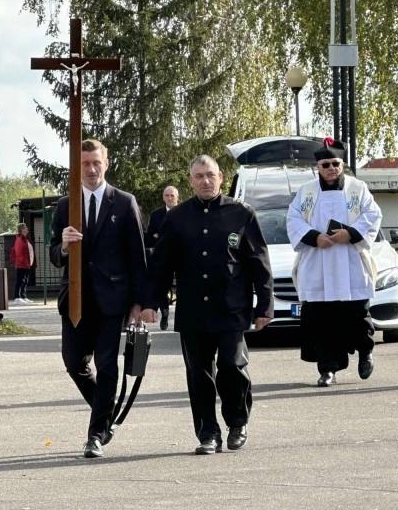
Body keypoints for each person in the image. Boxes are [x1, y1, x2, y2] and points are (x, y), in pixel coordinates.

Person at [142, 155, 273, 455]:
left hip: (231, 308)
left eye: (210, 175)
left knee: (231, 366)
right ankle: (208, 433)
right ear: (190, 181)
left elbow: (259, 263)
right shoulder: (175, 218)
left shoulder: (242, 214)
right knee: (198, 374)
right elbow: (161, 265)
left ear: (221, 177)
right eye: (198, 176)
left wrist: (264, 306)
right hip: (193, 311)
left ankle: (237, 422)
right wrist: (152, 302)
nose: (205, 181)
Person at [49, 138, 148, 458]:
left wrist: (139, 302)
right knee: (73, 363)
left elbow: (137, 256)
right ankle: (104, 415)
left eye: (96, 163)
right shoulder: (65, 206)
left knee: (107, 365)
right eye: (85, 164)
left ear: (106, 164)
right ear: (77, 168)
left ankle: (95, 435)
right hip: (76, 300)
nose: (91, 169)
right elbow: (52, 254)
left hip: (112, 299)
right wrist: (63, 245)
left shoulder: (124, 202)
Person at [286, 137, 382, 387]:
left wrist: (350, 234)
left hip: (349, 260)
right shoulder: (306, 191)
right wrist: (314, 237)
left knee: (358, 315)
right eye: (325, 165)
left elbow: (373, 214)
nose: (331, 169)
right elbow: (293, 219)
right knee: (322, 320)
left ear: (342, 164)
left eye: (335, 164)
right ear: (318, 167)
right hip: (318, 262)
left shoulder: (357, 188)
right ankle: (327, 368)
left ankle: (365, 352)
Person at [145, 186, 179, 330]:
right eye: (167, 195)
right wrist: (160, 242)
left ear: (177, 197)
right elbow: (150, 236)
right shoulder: (156, 215)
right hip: (162, 256)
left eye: (172, 195)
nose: (169, 198)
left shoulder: (184, 212)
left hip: (181, 255)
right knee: (161, 284)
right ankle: (164, 310)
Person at [12, 222, 36, 304]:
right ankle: (17, 297)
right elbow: (18, 252)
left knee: (25, 280)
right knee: (20, 280)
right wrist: (22, 261)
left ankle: (23, 296)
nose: (27, 228)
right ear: (22, 229)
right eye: (25, 227)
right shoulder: (19, 239)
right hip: (22, 264)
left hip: (27, 264)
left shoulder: (26, 239)